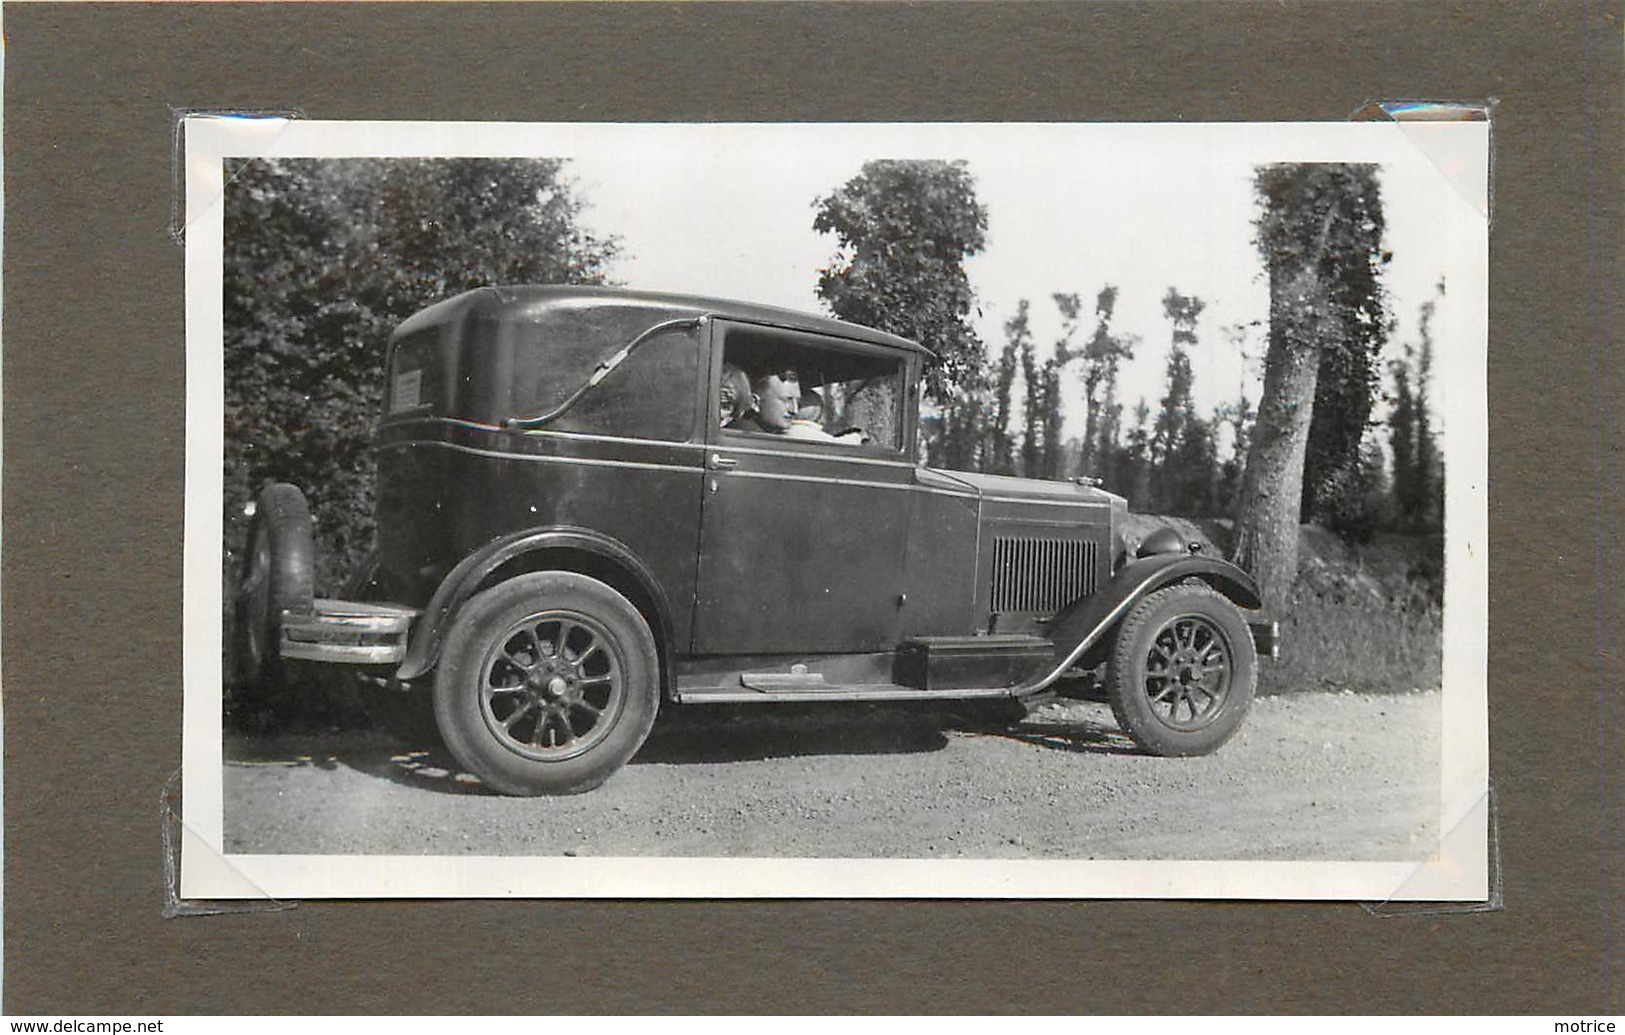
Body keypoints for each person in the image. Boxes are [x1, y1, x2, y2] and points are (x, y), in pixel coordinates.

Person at [726, 369, 799, 434]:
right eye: (786, 400)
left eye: (798, 401)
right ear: (755, 401)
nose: (795, 410)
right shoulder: (741, 436)